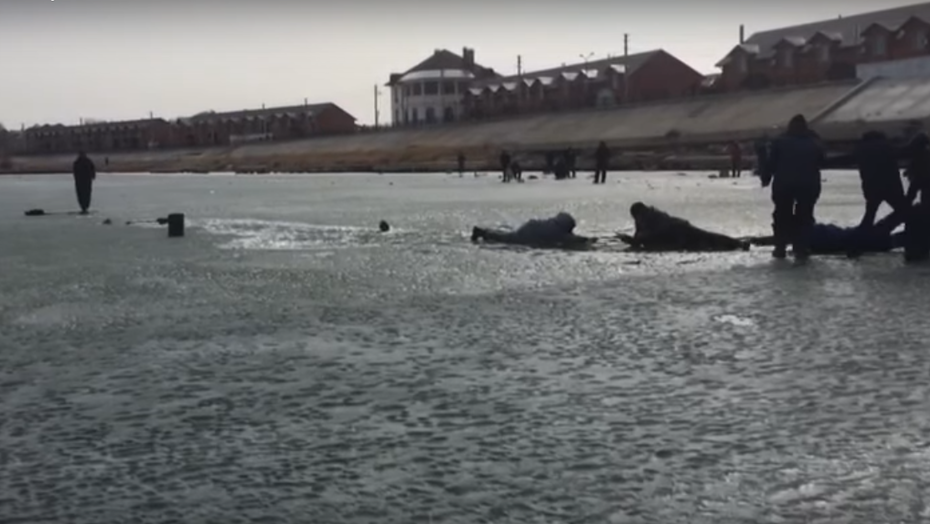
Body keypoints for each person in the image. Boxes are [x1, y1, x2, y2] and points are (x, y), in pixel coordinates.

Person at [762, 114, 824, 260]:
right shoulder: (814, 142)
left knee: (782, 215)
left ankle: (780, 247)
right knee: (805, 215)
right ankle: (801, 247)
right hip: (808, 185)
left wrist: (766, 178)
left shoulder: (779, 142)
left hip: (784, 184)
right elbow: (822, 161)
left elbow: (771, 163)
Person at [749, 212, 906, 255]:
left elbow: (782, 239)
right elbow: (782, 239)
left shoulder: (806, 237)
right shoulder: (807, 233)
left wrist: (757, 242)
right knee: (890, 230)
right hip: (854, 236)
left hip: (854, 239)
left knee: (892, 237)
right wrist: (757, 241)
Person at [618, 202, 749, 251]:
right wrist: (632, 240)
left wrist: (638, 240)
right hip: (677, 236)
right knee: (709, 240)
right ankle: (737, 244)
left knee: (709, 237)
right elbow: (640, 237)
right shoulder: (641, 220)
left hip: (681, 230)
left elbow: (657, 232)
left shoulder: (655, 216)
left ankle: (738, 244)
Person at [471, 211, 596, 248]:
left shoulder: (554, 225)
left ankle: (485, 232)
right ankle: (483, 232)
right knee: (506, 239)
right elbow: (572, 239)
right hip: (529, 235)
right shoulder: (559, 233)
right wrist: (587, 240)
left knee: (508, 237)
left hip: (531, 226)